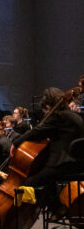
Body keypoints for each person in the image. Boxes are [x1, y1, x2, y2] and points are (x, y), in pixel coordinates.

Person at [16, 87, 84, 219]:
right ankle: (58, 208)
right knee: (46, 177)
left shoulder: (58, 116)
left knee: (31, 182)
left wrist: (15, 143)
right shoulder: (75, 116)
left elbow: (36, 132)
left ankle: (57, 208)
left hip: (64, 164)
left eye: (46, 110)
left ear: (48, 105)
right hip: (80, 164)